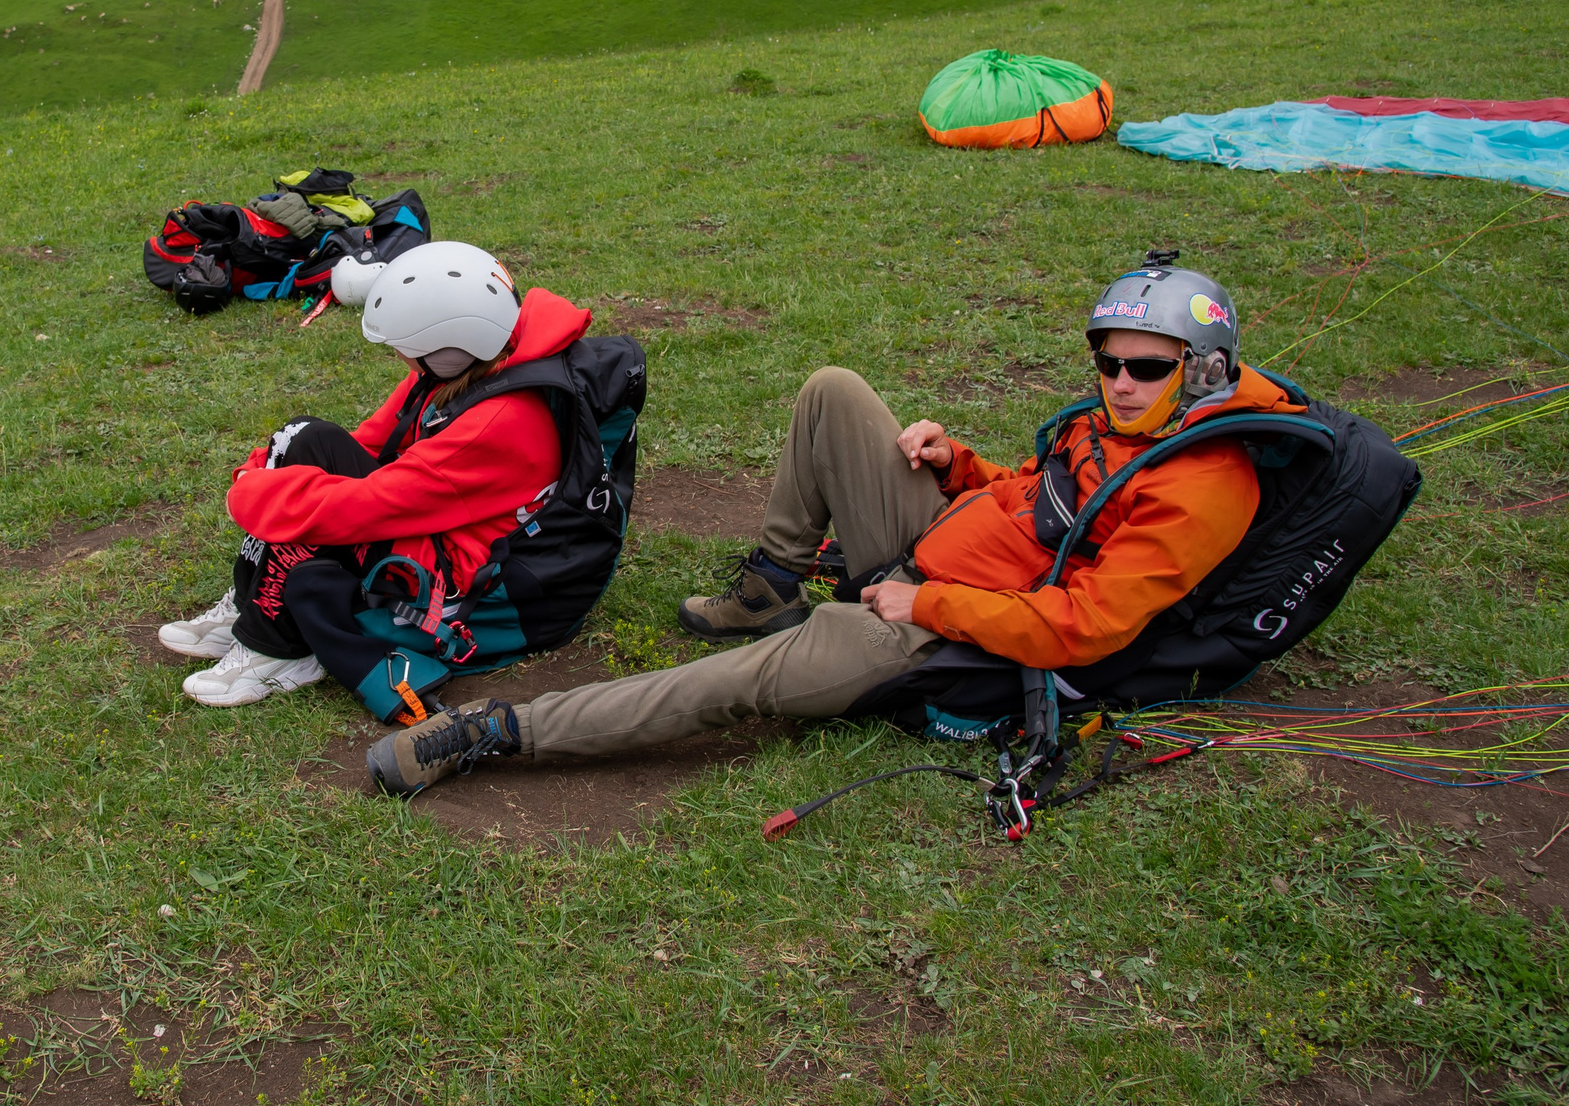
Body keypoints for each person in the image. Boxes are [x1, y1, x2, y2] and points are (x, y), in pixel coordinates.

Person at [364, 257, 1294, 794]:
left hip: (944, 629)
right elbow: (1050, 497)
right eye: (1108, 359)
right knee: (835, 393)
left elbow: (1085, 626)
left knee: (739, 680)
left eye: (1147, 366)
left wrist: (923, 597)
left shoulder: (1203, 483)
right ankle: (772, 580)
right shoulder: (1135, 422)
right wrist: (959, 463)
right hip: (946, 547)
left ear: (1204, 369)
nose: (1120, 379)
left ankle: (497, 732)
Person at [157, 241, 591, 711]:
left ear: (446, 350)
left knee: (314, 512)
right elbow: (367, 445)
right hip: (442, 517)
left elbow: (365, 507)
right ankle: (252, 599)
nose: (403, 361)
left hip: (461, 568)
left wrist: (253, 494)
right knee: (308, 439)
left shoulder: (497, 421)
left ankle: (279, 647)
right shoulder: (473, 362)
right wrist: (270, 469)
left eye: (408, 350)